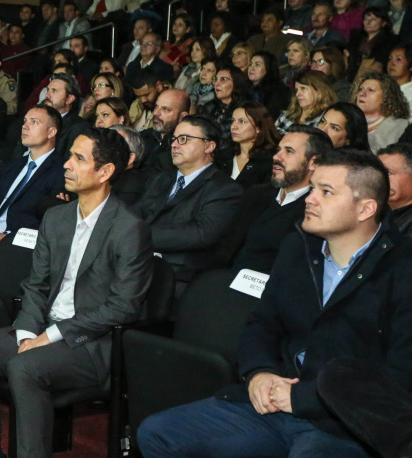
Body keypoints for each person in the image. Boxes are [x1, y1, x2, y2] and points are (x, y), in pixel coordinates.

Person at [138, 150, 412, 458]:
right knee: (158, 433)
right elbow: (262, 323)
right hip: (274, 402)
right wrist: (258, 372)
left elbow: (398, 378)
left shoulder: (401, 269)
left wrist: (303, 397)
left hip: (346, 424)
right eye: (312, 188)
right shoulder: (297, 246)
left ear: (365, 209)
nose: (310, 199)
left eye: (326, 192)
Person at [0, 127, 153, 458]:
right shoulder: (56, 218)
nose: (67, 165)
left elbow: (123, 307)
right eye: (69, 156)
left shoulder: (129, 227)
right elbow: (36, 284)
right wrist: (26, 333)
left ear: (105, 172)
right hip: (45, 327)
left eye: (79, 158)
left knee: (24, 367)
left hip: (93, 343)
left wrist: (50, 336)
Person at [135, 115, 244, 291]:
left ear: (209, 146)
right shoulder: (160, 179)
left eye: (184, 139)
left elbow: (200, 234)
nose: (174, 145)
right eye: (174, 139)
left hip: (180, 279)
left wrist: (138, 235)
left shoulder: (225, 190)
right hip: (137, 266)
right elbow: (136, 213)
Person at [217, 125, 332, 273]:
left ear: (313, 163)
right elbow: (225, 248)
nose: (276, 157)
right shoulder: (256, 194)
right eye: (278, 150)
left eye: (289, 151)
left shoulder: (314, 211)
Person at [0, 105, 65, 250]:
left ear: (51, 132)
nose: (25, 126)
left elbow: (47, 223)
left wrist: (9, 236)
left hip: (18, 245)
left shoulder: (62, 171)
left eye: (34, 122)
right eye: (25, 121)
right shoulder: (12, 166)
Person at [219, 101, 279, 189]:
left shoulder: (269, 160)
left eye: (242, 122)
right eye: (233, 121)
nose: (233, 126)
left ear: (258, 127)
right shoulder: (224, 155)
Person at [351, 71, 411, 152]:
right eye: (360, 89)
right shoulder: (347, 120)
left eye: (371, 90)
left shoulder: (400, 126)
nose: (362, 93)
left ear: (387, 97)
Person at [138, 88, 191, 172]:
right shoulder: (143, 136)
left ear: (182, 117)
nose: (156, 113)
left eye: (165, 109)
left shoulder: (185, 147)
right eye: (156, 106)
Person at [198, 65, 250, 142]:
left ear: (236, 83)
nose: (217, 83)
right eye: (216, 79)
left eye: (224, 79)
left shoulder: (245, 109)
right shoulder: (210, 106)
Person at [347, 6, 399, 81]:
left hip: (375, 75)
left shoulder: (390, 40)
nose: (368, 22)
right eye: (366, 19)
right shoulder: (356, 36)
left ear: (383, 23)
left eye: (373, 19)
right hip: (352, 73)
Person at [248, 51, 291, 117]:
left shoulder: (279, 91)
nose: (252, 68)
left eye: (257, 64)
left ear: (268, 68)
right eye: (250, 64)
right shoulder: (245, 87)